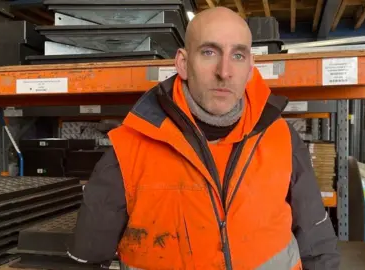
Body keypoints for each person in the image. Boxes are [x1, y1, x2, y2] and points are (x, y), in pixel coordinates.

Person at [68, 6, 340, 270]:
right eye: (209, 52)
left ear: (249, 68)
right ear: (183, 64)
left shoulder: (281, 138)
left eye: (238, 55)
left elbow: (317, 245)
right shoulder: (128, 150)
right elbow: (88, 256)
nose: (224, 72)